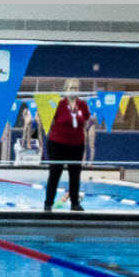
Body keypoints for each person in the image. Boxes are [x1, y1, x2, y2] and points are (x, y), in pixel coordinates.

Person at [44, 79, 92, 212]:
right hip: (57, 144)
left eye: (76, 88)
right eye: (71, 88)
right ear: (65, 90)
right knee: (55, 174)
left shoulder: (82, 105)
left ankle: (75, 203)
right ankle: (48, 204)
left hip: (77, 145)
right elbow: (47, 120)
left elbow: (86, 121)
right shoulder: (58, 104)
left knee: (75, 175)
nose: (73, 90)